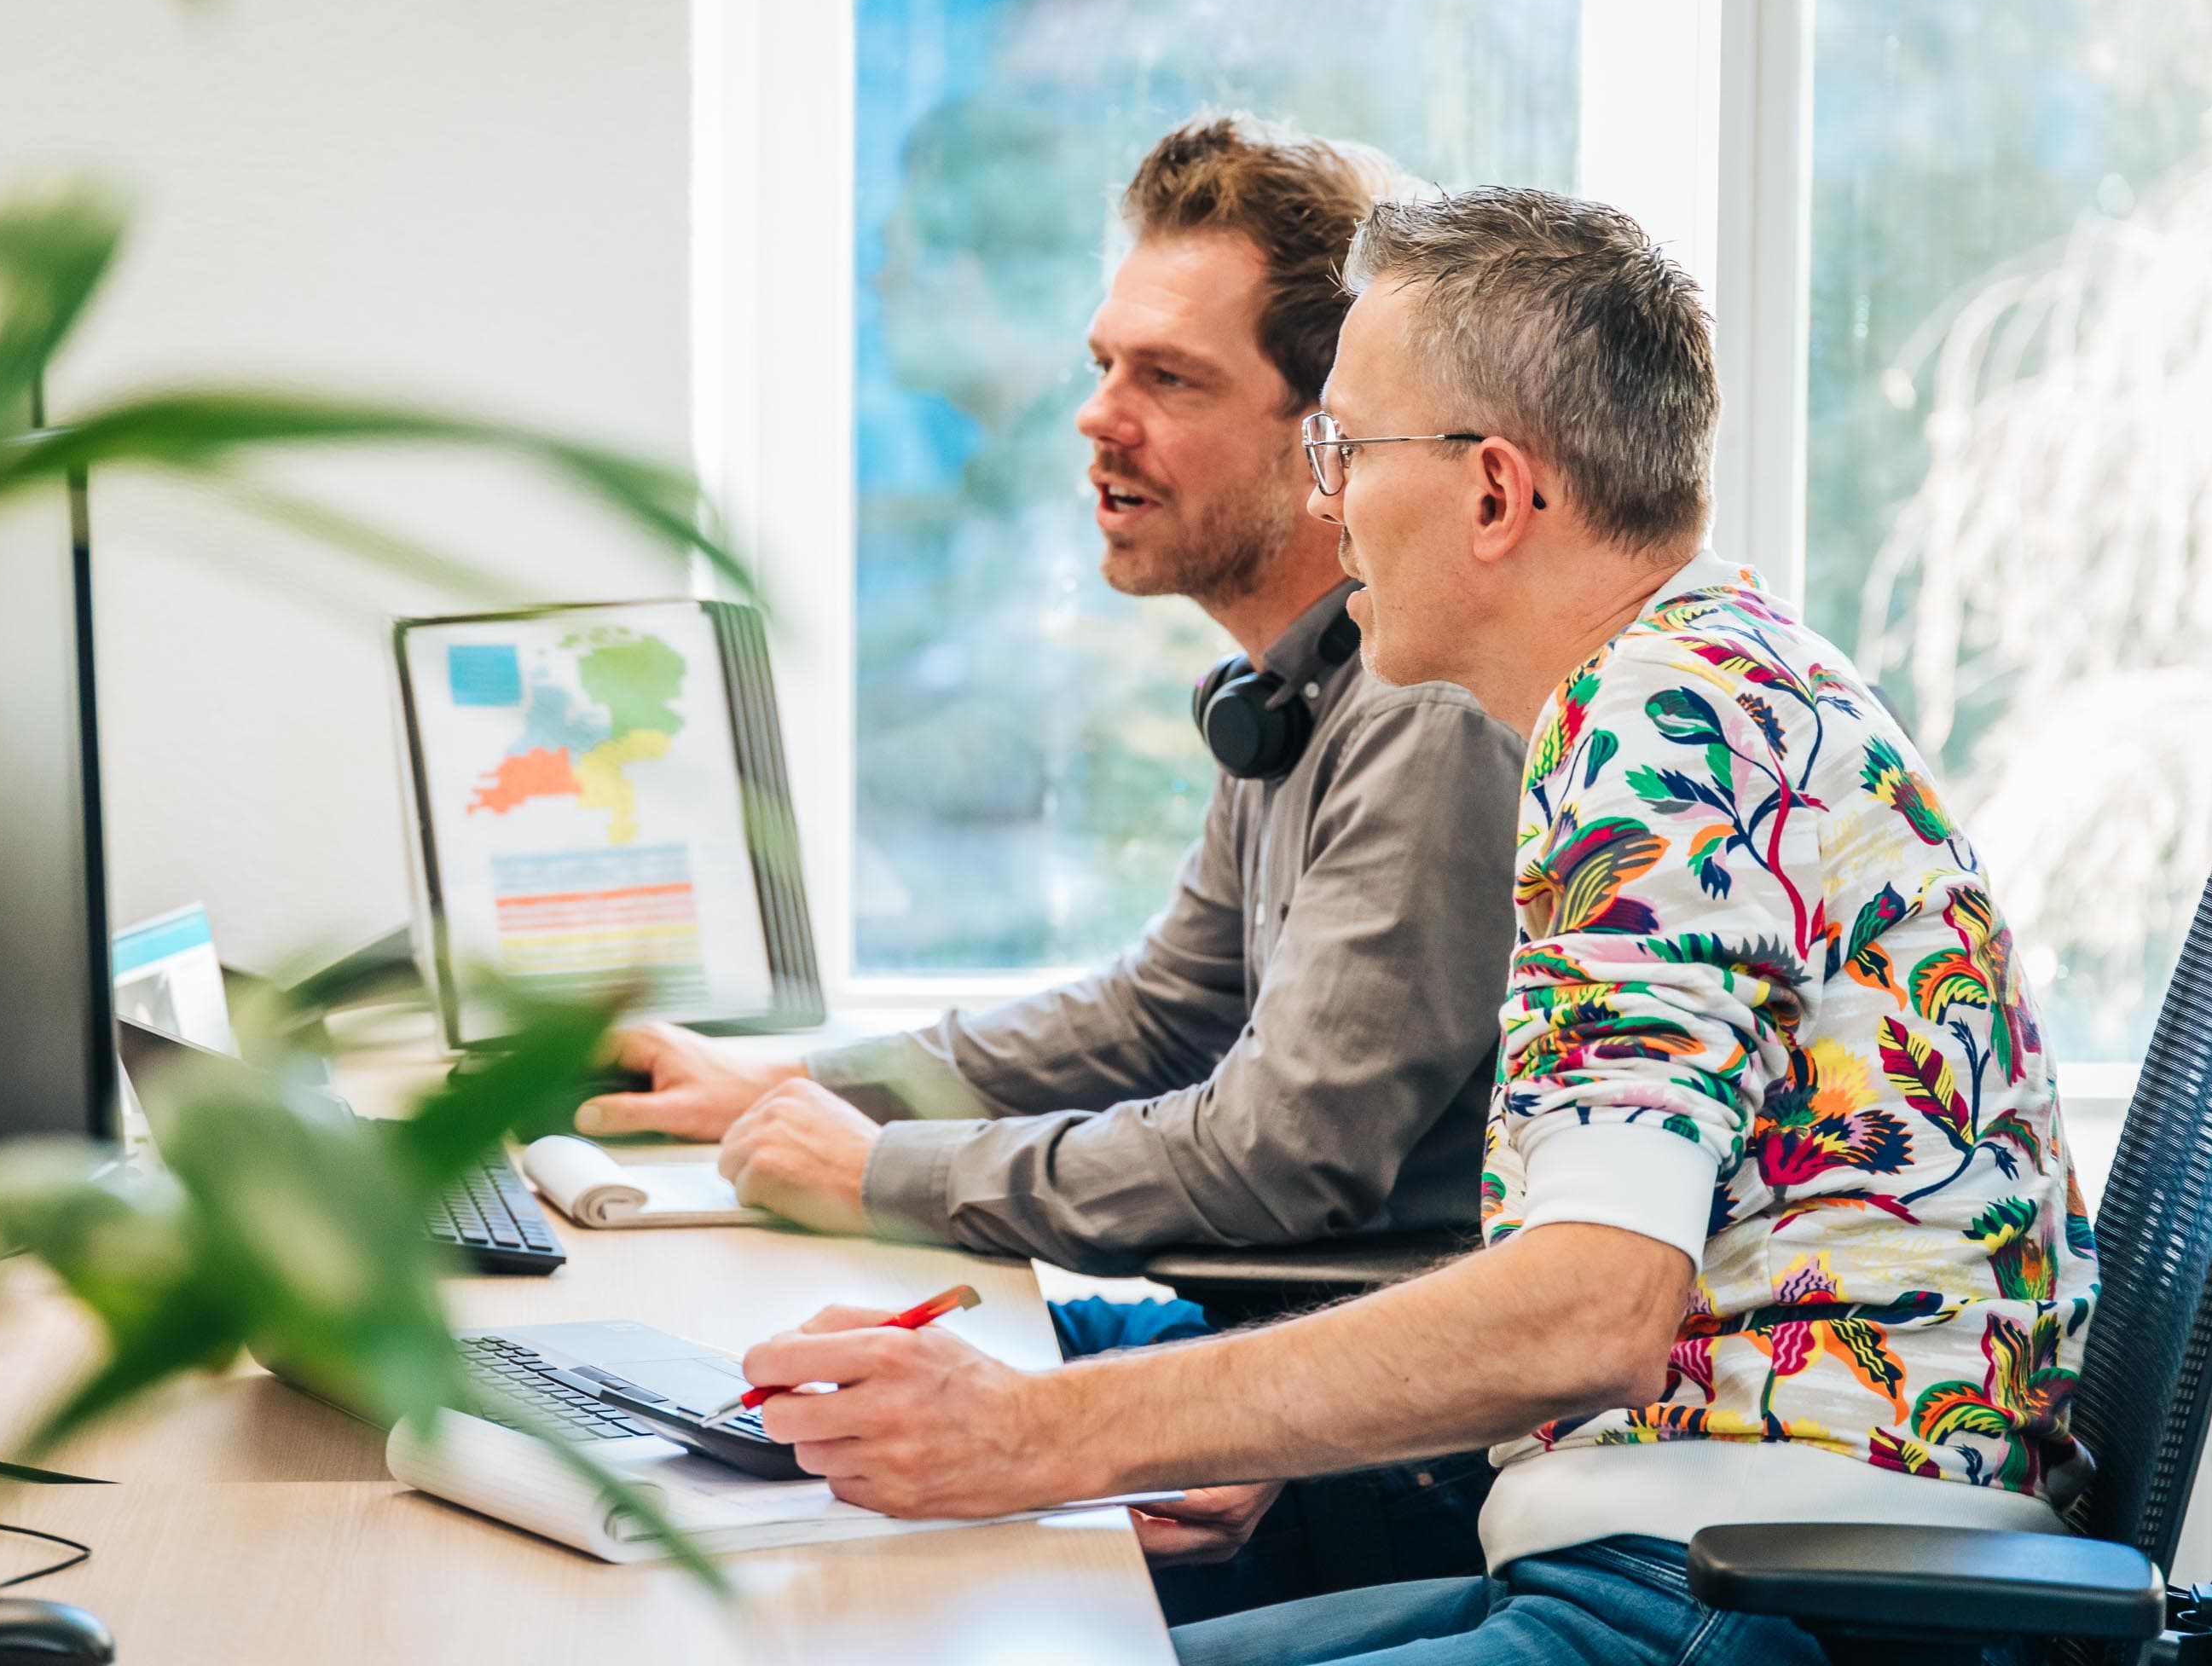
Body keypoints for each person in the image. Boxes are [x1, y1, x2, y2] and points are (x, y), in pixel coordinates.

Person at [730, 186, 2100, 1666]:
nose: (1322, 504)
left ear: (1496, 492)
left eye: (1344, 451)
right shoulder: (1704, 675)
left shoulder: (1667, 729)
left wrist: (1044, 1436)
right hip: (1676, 1534)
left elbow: (1586, 1314)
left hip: (1756, 1582)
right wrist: (1264, 1420)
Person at [576, 116, 1527, 1613]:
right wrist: (800, 1091)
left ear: (1323, 432)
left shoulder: (1424, 717)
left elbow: (1285, 1151)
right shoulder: (1294, 688)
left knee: (822, 1587)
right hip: (1271, 1351)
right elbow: (1161, 1014)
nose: (1098, 418)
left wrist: (881, 1170)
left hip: (1378, 1449)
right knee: (766, 1406)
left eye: (1169, 378)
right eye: (1104, 364)